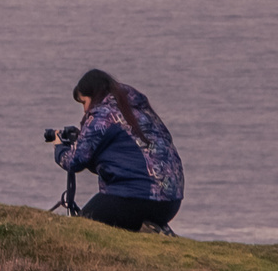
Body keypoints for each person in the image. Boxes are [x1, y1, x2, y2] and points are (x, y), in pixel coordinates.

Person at [54, 67, 183, 233]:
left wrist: (59, 146)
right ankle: (152, 230)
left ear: (93, 96)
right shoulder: (139, 110)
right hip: (171, 201)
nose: (85, 110)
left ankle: (144, 228)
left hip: (136, 197)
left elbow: (74, 161)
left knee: (80, 230)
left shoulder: (102, 115)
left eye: (84, 102)